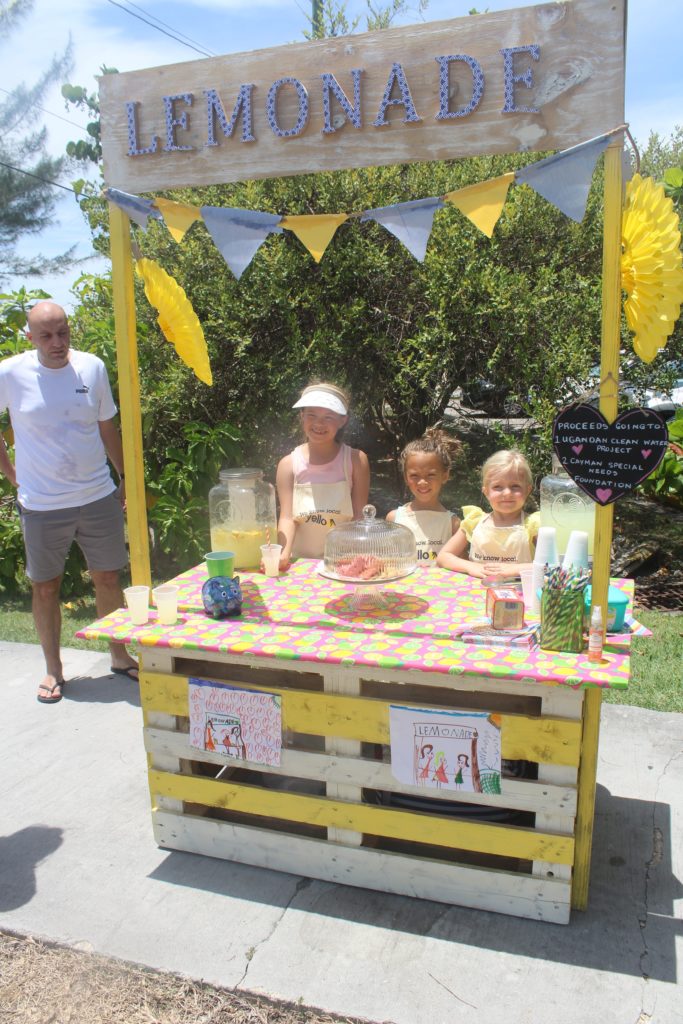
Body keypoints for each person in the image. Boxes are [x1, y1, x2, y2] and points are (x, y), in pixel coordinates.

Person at [0, 301, 139, 703]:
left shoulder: (91, 367)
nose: (57, 343)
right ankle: (54, 670)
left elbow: (106, 425)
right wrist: (11, 474)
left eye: (63, 333)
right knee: (46, 587)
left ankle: (118, 654)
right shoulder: (10, 373)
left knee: (108, 578)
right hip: (42, 505)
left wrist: (125, 476)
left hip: (97, 495)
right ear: (30, 337)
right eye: (46, 336)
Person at [276, 382, 370, 567]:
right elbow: (287, 517)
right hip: (300, 563)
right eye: (311, 415)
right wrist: (282, 555)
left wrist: (357, 559)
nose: (319, 423)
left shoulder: (356, 460)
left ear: (343, 420)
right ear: (302, 416)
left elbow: (360, 516)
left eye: (329, 417)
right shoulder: (288, 465)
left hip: (343, 563)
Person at [437, 449, 539, 579]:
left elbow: (551, 566)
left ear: (527, 490)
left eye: (515, 486)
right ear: (486, 491)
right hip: (476, 593)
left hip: (519, 593)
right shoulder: (474, 522)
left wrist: (515, 569)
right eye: (498, 487)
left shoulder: (533, 525)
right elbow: (443, 556)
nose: (507, 493)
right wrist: (470, 566)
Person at [387, 427, 461, 562]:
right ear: (405, 477)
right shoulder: (394, 519)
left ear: (445, 476)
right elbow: (386, 563)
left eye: (431, 475)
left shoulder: (452, 524)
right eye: (414, 475)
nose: (422, 482)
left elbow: (461, 569)